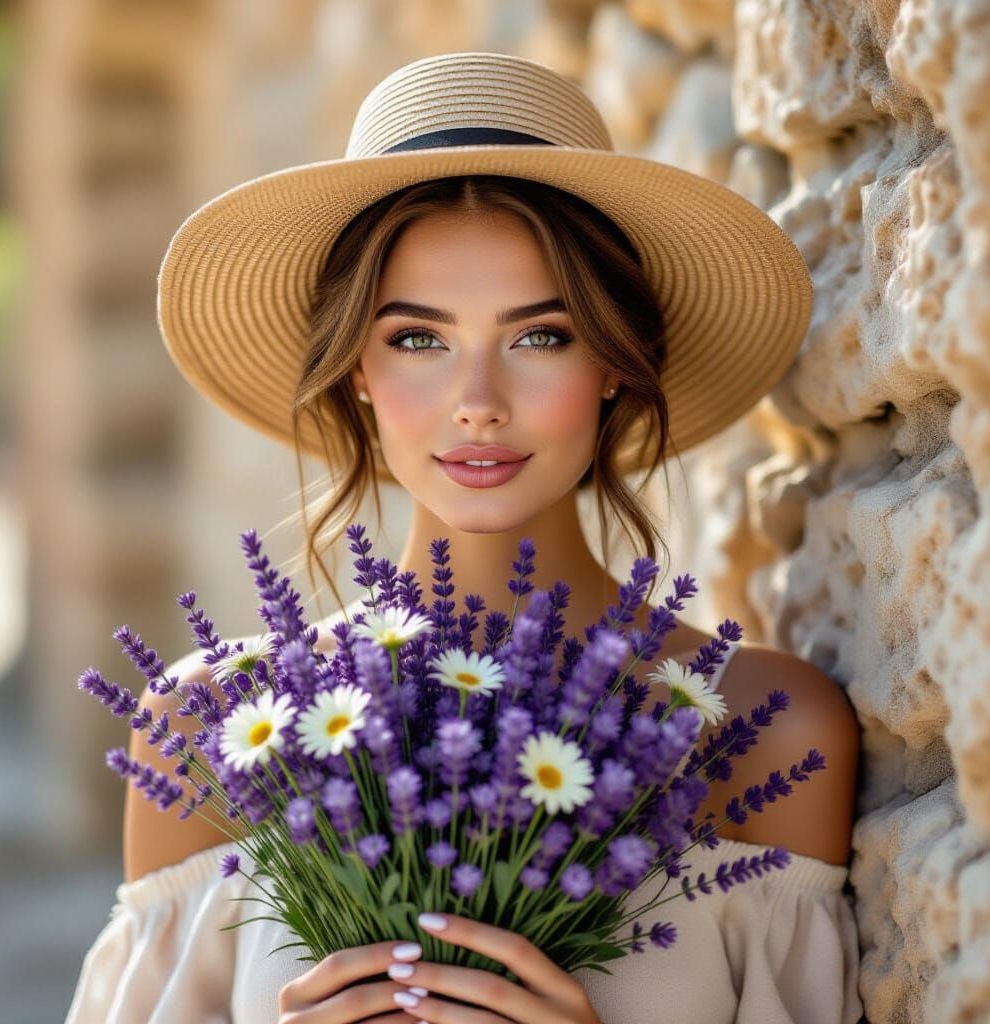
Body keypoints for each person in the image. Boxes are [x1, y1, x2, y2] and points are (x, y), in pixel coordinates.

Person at [66, 51, 864, 1023]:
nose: (478, 404)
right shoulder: (206, 738)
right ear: (356, 367)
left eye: (541, 336)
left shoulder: (764, 739)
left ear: (615, 361)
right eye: (416, 339)